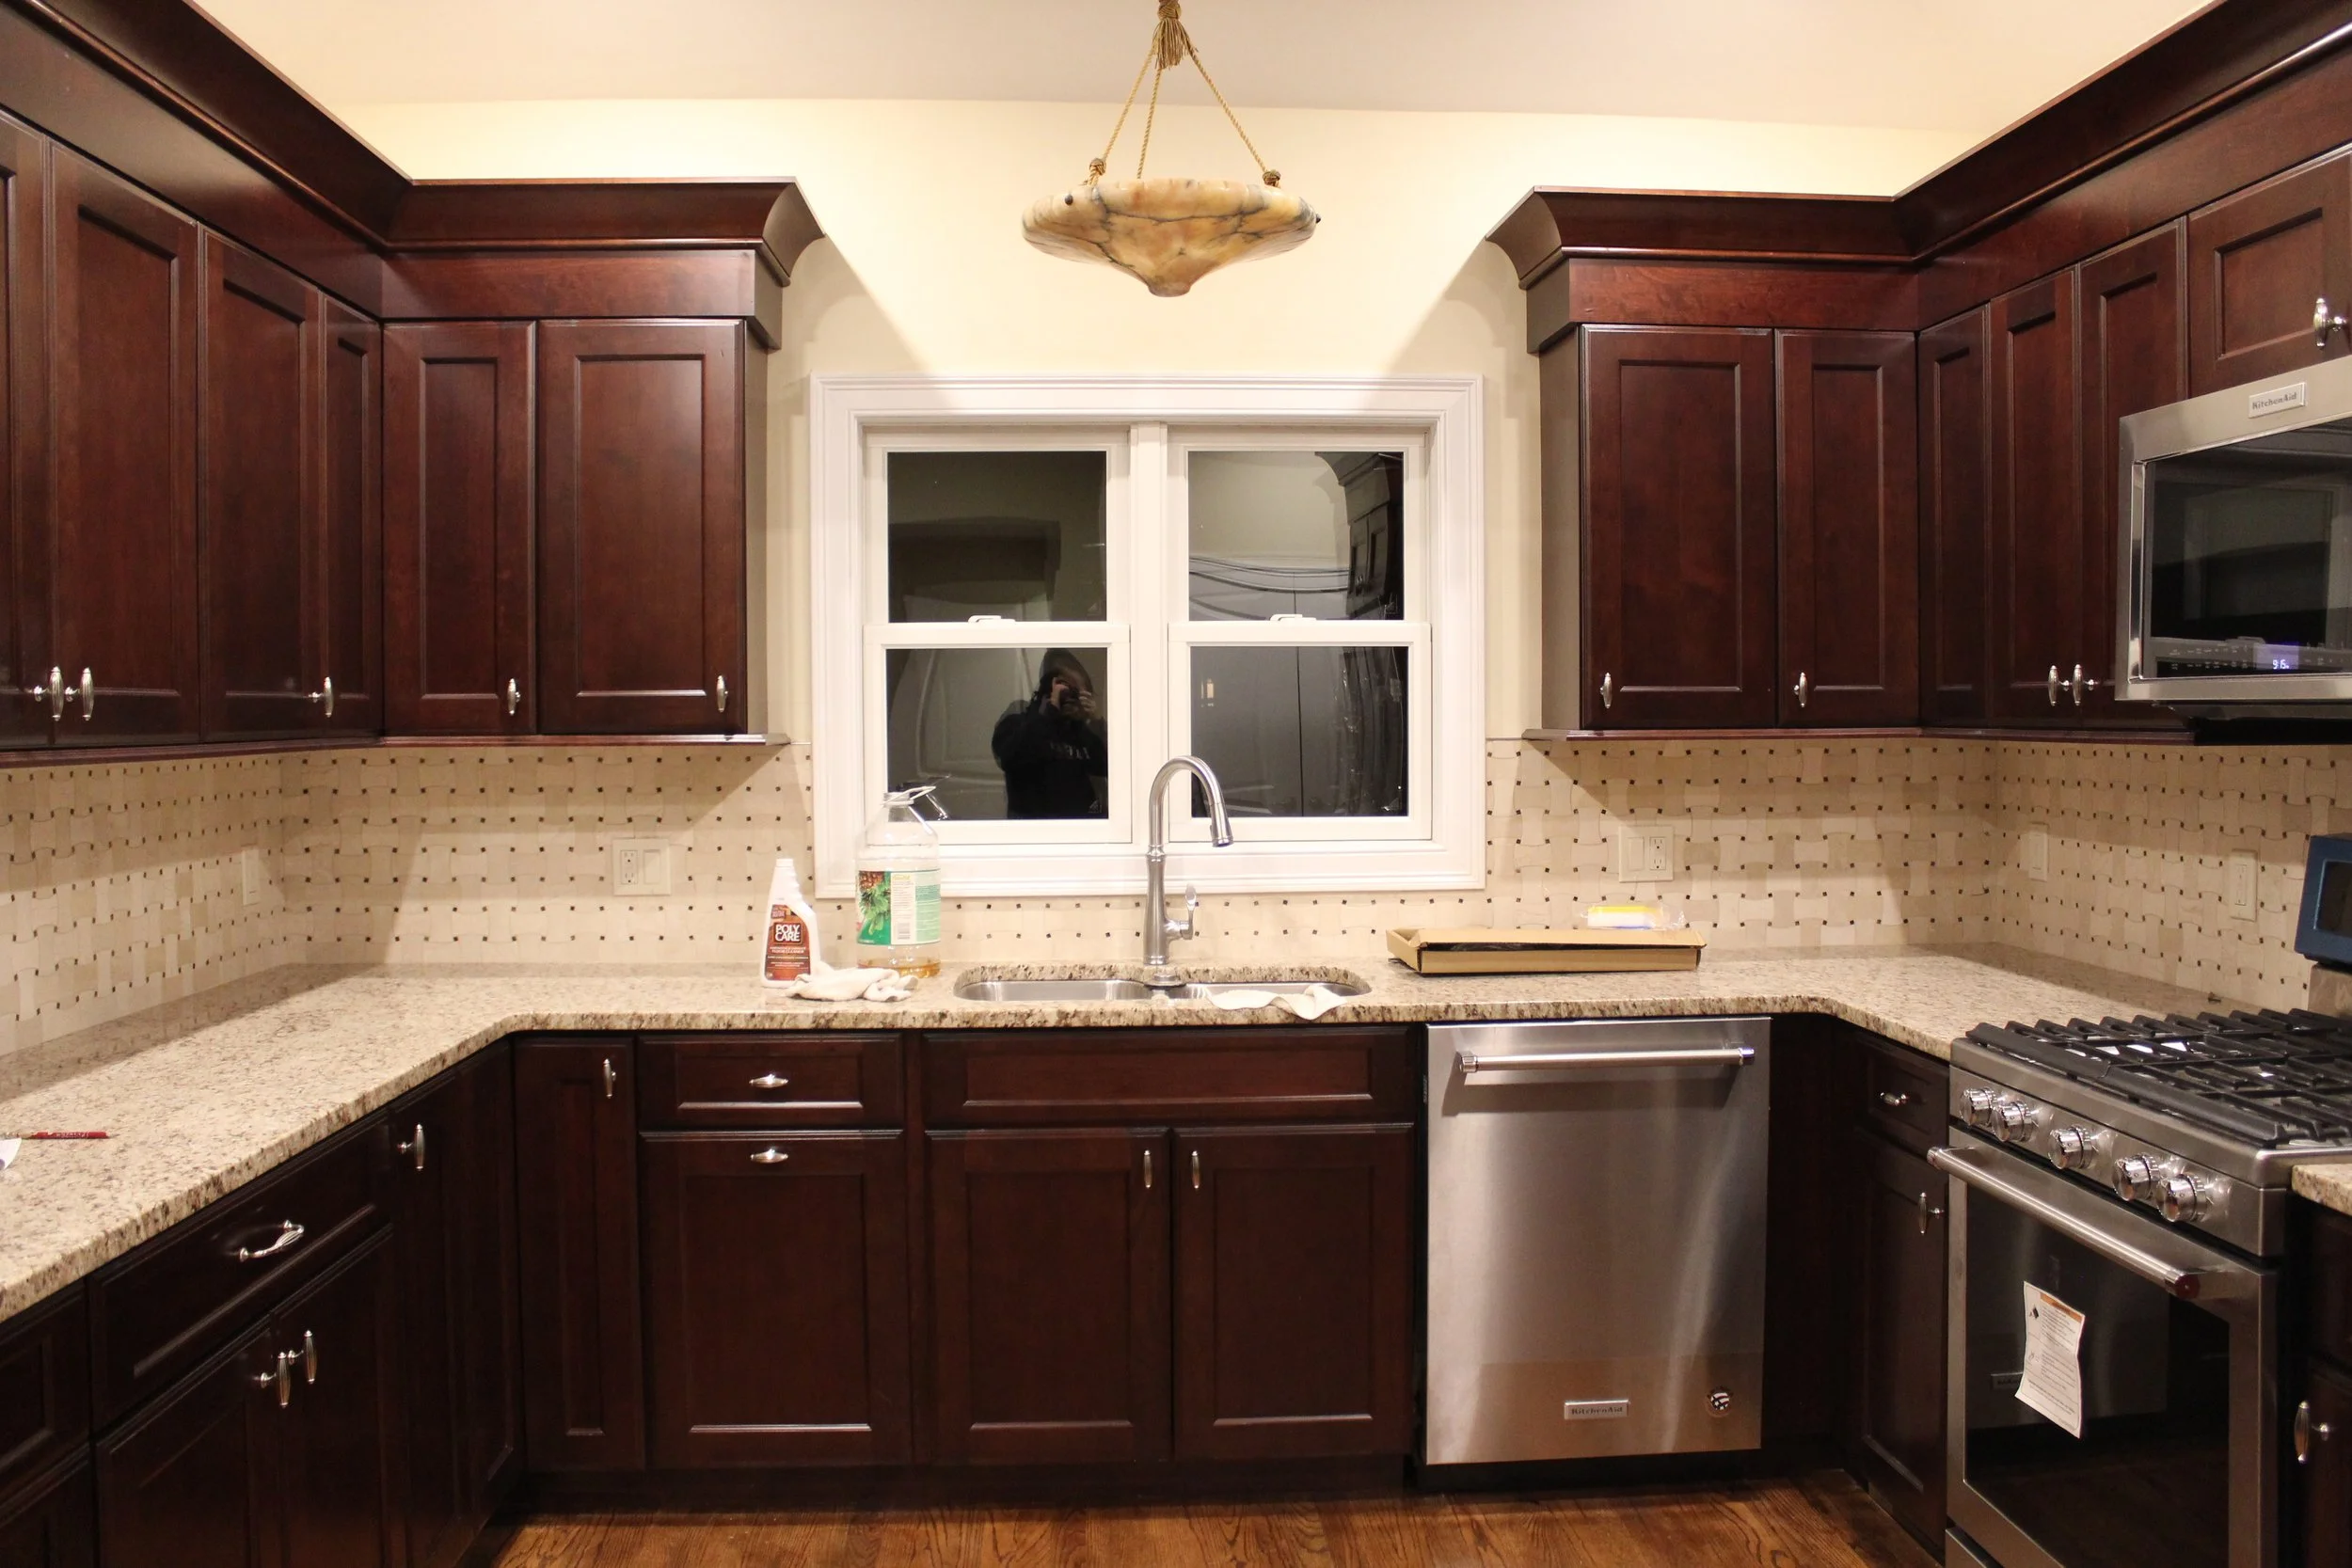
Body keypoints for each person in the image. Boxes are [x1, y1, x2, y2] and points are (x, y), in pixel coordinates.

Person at [992, 650, 1107, 817]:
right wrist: (1048, 713)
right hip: (1035, 832)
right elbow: (1010, 758)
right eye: (1065, 688)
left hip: (1084, 831)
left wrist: (1094, 721)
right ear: (1048, 687)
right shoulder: (1020, 721)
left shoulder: (1082, 732)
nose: (1069, 697)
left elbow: (1108, 768)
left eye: (1076, 692)